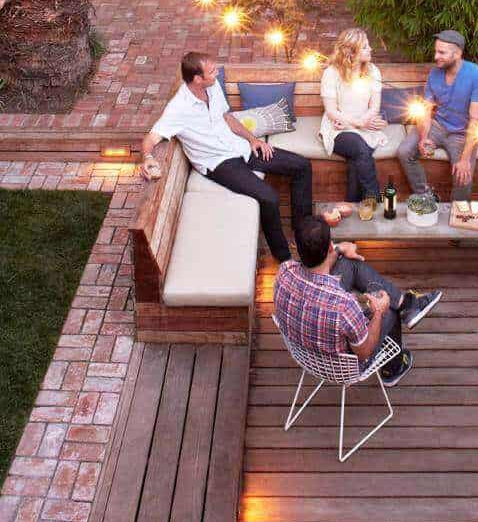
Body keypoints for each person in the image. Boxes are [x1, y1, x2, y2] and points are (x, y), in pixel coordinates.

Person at [140, 51, 312, 263]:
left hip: (239, 148)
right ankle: (284, 259)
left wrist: (252, 140)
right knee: (269, 197)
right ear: (197, 79)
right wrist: (147, 157)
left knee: (302, 165)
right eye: (212, 71)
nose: (218, 73)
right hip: (219, 163)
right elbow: (152, 136)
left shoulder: (212, 88)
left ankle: (303, 233)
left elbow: (227, 118)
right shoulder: (178, 108)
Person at [274, 216, 442, 387]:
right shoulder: (344, 306)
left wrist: (340, 249)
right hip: (342, 367)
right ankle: (392, 369)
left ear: (297, 249)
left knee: (349, 264)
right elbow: (364, 352)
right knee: (389, 309)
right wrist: (378, 312)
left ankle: (407, 305)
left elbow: (317, 268)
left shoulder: (285, 271)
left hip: (305, 352)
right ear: (329, 246)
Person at [398, 29, 478, 199]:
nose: (435, 56)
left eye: (441, 52)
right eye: (435, 51)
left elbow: (475, 121)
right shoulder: (434, 73)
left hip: (462, 134)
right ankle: (425, 195)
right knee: (404, 151)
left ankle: (457, 213)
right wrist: (424, 137)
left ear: (457, 53)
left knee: (463, 176)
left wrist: (464, 160)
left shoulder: (477, 75)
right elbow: (426, 110)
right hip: (437, 126)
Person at [319, 28, 387, 203]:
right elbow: (332, 111)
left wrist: (362, 123)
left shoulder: (373, 71)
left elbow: (375, 107)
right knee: (359, 148)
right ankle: (375, 199)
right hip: (338, 127)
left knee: (356, 159)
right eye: (365, 47)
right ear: (350, 51)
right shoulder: (331, 73)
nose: (370, 49)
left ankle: (352, 206)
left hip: (365, 125)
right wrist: (356, 124)